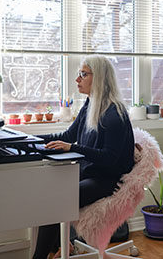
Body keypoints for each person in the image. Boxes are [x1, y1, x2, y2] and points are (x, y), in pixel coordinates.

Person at [33, 55, 135, 259]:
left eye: (83, 74)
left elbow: (109, 158)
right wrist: (27, 139)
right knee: (42, 189)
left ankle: (40, 257)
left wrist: (73, 147)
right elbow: (65, 136)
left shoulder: (115, 113)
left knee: (56, 200)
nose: (77, 79)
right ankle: (64, 246)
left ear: (100, 78)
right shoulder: (90, 105)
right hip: (87, 173)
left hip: (107, 181)